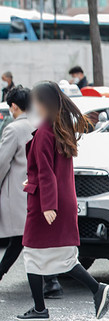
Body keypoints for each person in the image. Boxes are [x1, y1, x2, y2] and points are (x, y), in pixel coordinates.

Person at [16, 82, 109, 321]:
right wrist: (33, 186)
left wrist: (48, 204)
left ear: (44, 104)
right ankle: (93, 291)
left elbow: (47, 172)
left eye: (36, 101)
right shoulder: (61, 129)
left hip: (47, 203)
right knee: (61, 256)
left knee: (33, 254)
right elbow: (50, 172)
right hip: (59, 200)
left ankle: (41, 309)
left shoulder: (46, 132)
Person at [0, 87, 32, 282]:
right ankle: (51, 282)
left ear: (14, 106)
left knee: (19, 240)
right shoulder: (38, 124)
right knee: (26, 240)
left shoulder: (13, 128)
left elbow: (2, 162)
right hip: (33, 190)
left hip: (16, 191)